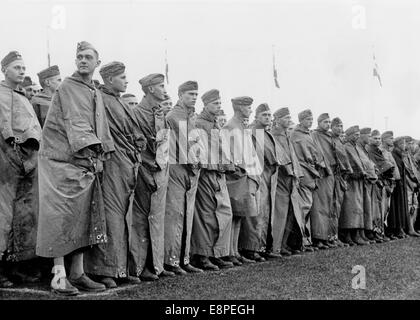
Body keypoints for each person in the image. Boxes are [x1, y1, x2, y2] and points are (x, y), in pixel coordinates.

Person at [36, 41, 115, 296]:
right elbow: (77, 124)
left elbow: (100, 126)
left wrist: (99, 153)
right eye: (79, 56)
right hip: (61, 162)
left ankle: (78, 273)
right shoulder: (68, 87)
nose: (82, 60)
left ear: (97, 63)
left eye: (88, 57)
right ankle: (58, 276)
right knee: (59, 219)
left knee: (83, 217)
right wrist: (93, 153)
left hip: (82, 161)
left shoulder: (92, 89)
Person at [83, 61, 146, 288]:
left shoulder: (121, 103)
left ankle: (120, 268)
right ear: (109, 79)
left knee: (122, 217)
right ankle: (104, 269)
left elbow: (135, 132)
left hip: (127, 165)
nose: (126, 81)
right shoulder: (100, 100)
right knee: (110, 216)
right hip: (110, 165)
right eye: (122, 78)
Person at [0, 51, 42, 288]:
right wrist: (15, 159)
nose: (22, 71)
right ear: (4, 69)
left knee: (24, 217)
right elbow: (6, 132)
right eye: (16, 67)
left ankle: (16, 267)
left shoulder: (23, 97)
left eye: (23, 67)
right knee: (3, 217)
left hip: (29, 162)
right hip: (8, 163)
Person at [131, 73, 175, 280]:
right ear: (150, 89)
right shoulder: (137, 114)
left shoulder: (160, 115)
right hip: (145, 173)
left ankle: (156, 264)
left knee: (156, 219)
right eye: (160, 86)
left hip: (160, 172)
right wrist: (145, 172)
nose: (164, 90)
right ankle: (140, 266)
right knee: (141, 220)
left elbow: (163, 146)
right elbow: (137, 147)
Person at [190, 89, 234, 271]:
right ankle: (203, 255)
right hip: (207, 173)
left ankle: (217, 253)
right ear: (205, 104)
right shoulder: (198, 123)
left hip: (218, 173)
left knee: (223, 213)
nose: (218, 106)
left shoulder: (214, 124)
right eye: (215, 103)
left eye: (219, 103)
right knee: (206, 216)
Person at [163, 81, 204, 275]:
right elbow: (184, 145)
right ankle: (171, 260)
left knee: (186, 215)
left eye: (196, 94)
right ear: (180, 95)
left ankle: (183, 258)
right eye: (190, 94)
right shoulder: (175, 116)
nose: (194, 97)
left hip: (190, 169)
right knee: (175, 215)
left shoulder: (189, 116)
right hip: (177, 168)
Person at [223, 96, 262, 264]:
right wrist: (238, 170)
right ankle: (230, 251)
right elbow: (228, 153)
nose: (250, 110)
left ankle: (235, 251)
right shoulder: (230, 127)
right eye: (247, 107)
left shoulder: (242, 126)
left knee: (240, 215)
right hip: (236, 177)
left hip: (245, 176)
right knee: (234, 214)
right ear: (239, 108)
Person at [250, 103, 283, 258]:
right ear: (256, 116)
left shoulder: (267, 133)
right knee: (259, 212)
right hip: (258, 175)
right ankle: (256, 248)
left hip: (269, 176)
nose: (268, 118)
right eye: (264, 115)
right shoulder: (253, 132)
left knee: (266, 212)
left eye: (269, 115)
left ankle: (264, 247)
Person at [270, 108, 305, 255]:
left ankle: (283, 244)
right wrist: (290, 170)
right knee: (280, 213)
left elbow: (293, 157)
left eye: (289, 117)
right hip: (281, 179)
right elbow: (280, 157)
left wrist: (296, 173)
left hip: (291, 180)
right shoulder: (274, 136)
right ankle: (275, 247)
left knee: (290, 213)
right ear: (277, 120)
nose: (288, 120)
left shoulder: (286, 135)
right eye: (285, 117)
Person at [290, 109, 324, 251]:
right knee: (304, 207)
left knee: (307, 207)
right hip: (304, 173)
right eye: (307, 119)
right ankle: (300, 241)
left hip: (310, 173)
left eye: (311, 119)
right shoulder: (297, 135)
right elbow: (305, 155)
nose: (310, 122)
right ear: (301, 120)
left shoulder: (306, 134)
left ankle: (305, 240)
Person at [310, 113, 338, 249]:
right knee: (319, 206)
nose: (327, 124)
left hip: (331, 174)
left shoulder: (330, 136)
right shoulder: (315, 135)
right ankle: (318, 237)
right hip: (322, 173)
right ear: (319, 122)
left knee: (328, 206)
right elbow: (317, 153)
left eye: (329, 122)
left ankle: (326, 236)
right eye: (325, 122)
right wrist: (324, 167)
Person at [340, 126, 370, 245]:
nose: (357, 137)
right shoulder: (347, 147)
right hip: (351, 181)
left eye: (358, 134)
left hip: (358, 181)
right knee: (349, 209)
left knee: (357, 208)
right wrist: (356, 174)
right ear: (349, 135)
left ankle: (356, 234)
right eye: (355, 135)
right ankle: (348, 235)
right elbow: (347, 164)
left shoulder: (355, 147)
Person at [366, 129, 394, 242]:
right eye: (375, 138)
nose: (377, 140)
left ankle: (379, 232)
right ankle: (374, 232)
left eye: (378, 138)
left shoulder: (377, 151)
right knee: (375, 208)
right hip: (375, 181)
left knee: (380, 208)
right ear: (370, 139)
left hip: (382, 182)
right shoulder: (370, 150)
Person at [330, 117, 352, 247]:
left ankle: (335, 236)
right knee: (333, 208)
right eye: (337, 126)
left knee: (337, 208)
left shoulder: (339, 141)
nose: (340, 129)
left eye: (341, 126)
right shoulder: (330, 140)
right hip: (334, 176)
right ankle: (332, 237)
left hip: (341, 177)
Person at [357, 128, 378, 244]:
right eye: (368, 136)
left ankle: (365, 232)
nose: (370, 138)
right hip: (364, 180)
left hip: (369, 180)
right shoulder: (358, 148)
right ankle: (362, 233)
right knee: (362, 207)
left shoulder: (364, 149)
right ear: (362, 136)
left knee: (367, 208)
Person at [380, 131, 400, 240]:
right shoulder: (381, 152)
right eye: (390, 138)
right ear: (384, 139)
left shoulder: (388, 152)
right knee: (383, 208)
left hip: (391, 183)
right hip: (385, 183)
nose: (392, 140)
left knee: (386, 208)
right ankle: (381, 232)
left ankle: (384, 231)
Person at [403, 136, 420, 237]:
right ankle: (410, 228)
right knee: (410, 205)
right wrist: (415, 181)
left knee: (414, 204)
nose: (411, 145)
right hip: (409, 183)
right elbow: (409, 171)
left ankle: (412, 227)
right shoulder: (405, 156)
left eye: (412, 143)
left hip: (414, 183)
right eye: (409, 143)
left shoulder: (410, 155)